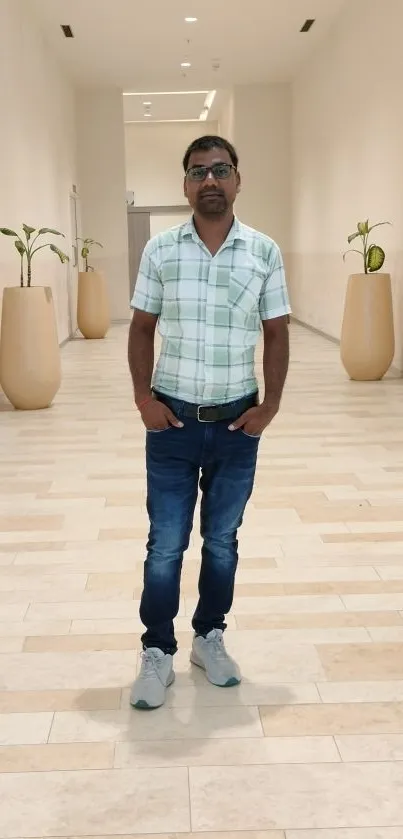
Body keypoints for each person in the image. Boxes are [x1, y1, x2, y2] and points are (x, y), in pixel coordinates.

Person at [127, 135, 291, 709]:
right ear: (186, 185)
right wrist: (143, 400)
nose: (211, 180)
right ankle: (156, 651)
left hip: (234, 427)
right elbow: (142, 327)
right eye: (199, 172)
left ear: (238, 179)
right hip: (171, 425)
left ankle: (209, 637)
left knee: (221, 541)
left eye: (221, 170)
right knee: (165, 545)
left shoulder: (264, 251)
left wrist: (267, 408)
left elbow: (276, 333)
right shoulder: (161, 251)